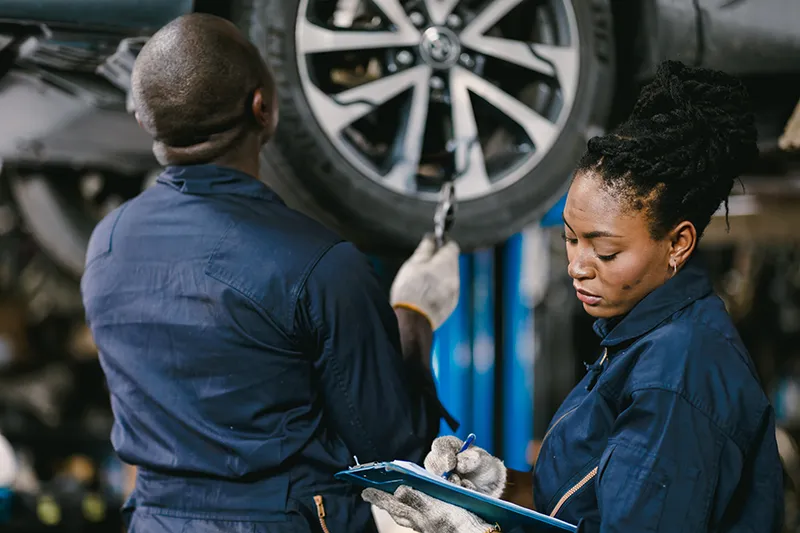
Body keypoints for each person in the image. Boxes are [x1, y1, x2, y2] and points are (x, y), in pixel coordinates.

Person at [364, 60, 785, 532]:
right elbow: (579, 506)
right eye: (570, 238)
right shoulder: (636, 344)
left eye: (605, 250)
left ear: (678, 244)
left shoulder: (676, 374)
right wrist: (495, 489)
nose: (577, 266)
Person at [80, 13, 460, 533]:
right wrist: (415, 315)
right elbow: (396, 458)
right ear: (263, 107)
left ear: (148, 121)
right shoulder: (321, 264)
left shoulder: (107, 245)